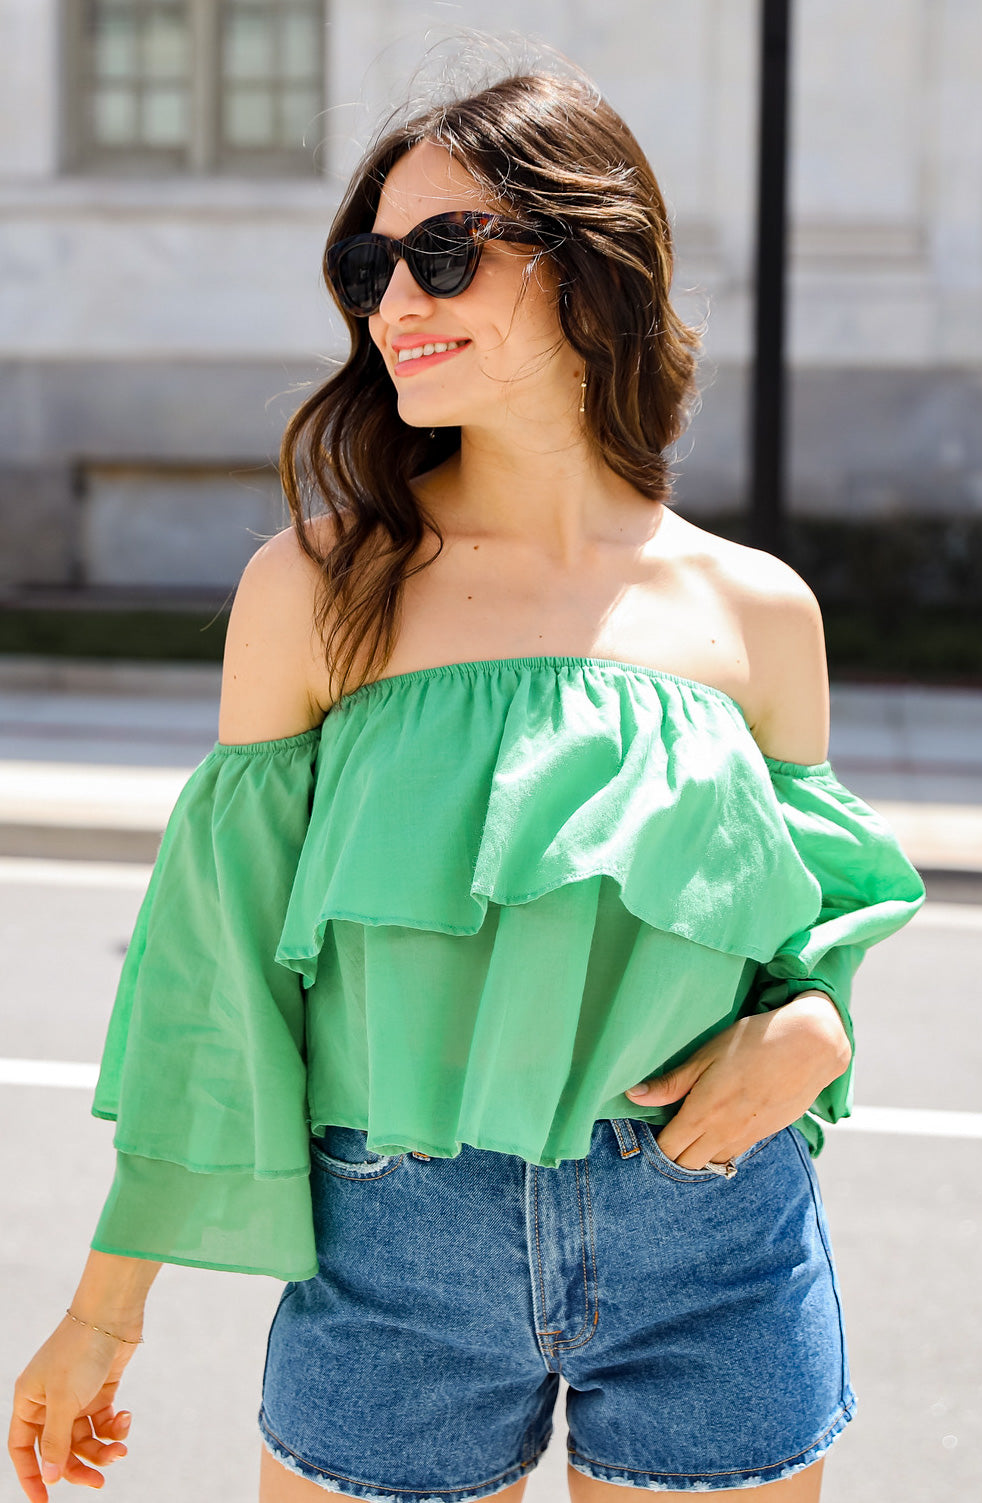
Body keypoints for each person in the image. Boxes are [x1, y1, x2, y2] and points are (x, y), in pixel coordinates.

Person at [8, 63, 926, 1503]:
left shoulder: (756, 611)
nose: (392, 305)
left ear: (590, 271)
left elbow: (816, 934)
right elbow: (215, 973)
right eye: (369, 266)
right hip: (396, 1243)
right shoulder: (317, 587)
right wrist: (103, 1309)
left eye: (443, 255)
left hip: (709, 1233)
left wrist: (813, 1029)